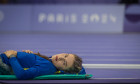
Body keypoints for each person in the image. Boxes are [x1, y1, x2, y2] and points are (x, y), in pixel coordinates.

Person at [0, 50, 86, 80]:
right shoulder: (49, 62)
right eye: (65, 55)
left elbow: (22, 74)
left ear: (64, 70)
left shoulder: (47, 67)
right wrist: (29, 54)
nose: (61, 58)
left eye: (64, 62)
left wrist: (12, 57)